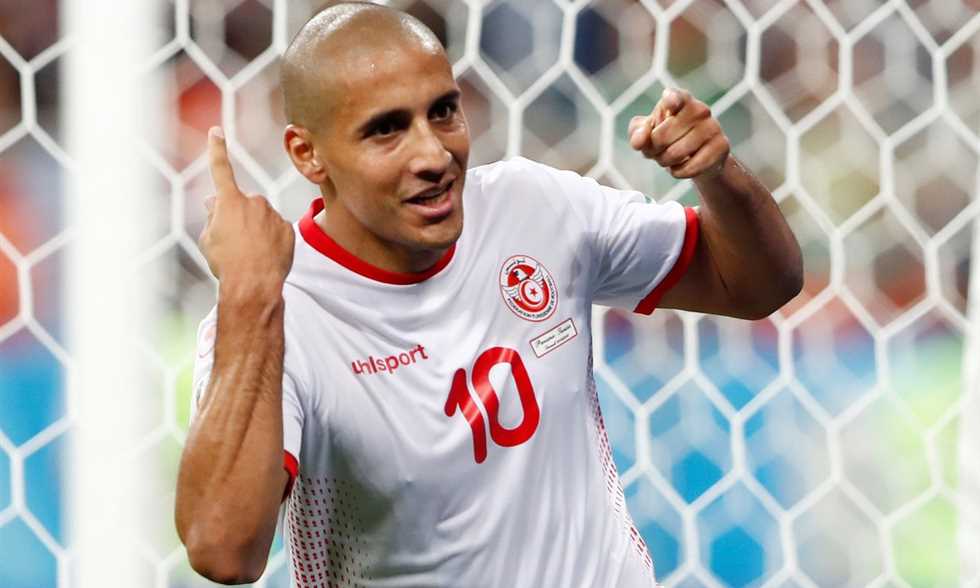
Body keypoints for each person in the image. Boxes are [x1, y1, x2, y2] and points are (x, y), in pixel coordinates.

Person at [174, 2, 803, 586]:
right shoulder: (278, 315)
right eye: (387, 130)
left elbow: (760, 285)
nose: (433, 154)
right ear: (307, 154)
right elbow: (223, 551)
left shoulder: (536, 206)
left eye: (442, 111)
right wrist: (251, 298)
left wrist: (717, 175)